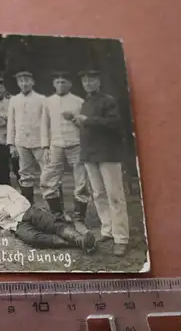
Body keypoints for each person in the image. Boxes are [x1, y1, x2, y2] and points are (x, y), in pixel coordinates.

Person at [72, 69, 129, 256]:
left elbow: (114, 124)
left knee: (115, 196)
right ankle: (108, 230)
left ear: (98, 81)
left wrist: (87, 120)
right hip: (90, 153)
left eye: (91, 80)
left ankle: (121, 238)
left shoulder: (108, 100)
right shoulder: (86, 102)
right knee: (98, 194)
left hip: (108, 153)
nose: (88, 83)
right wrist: (78, 122)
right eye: (85, 81)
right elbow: (90, 126)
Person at [0, 167, 96, 253]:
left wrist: (8, 211)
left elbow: (24, 202)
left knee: (52, 223)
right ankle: (79, 243)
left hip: (26, 213)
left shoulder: (5, 188)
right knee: (33, 238)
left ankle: (79, 238)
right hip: (14, 225)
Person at [40, 71, 91, 221]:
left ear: (70, 84)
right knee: (48, 178)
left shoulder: (79, 102)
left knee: (81, 179)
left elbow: (85, 125)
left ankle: (79, 215)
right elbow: (44, 125)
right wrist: (45, 146)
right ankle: (57, 214)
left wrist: (75, 119)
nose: (60, 85)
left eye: (64, 82)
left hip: (76, 144)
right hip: (55, 144)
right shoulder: (48, 102)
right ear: (53, 84)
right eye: (57, 82)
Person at [7, 71, 47, 204]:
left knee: (48, 173)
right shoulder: (14, 100)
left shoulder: (42, 99)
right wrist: (11, 144)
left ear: (33, 82)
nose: (24, 84)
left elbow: (47, 122)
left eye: (27, 81)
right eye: (21, 81)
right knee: (24, 173)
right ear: (18, 84)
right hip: (21, 141)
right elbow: (11, 122)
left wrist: (47, 143)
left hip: (40, 142)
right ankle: (28, 207)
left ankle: (56, 209)